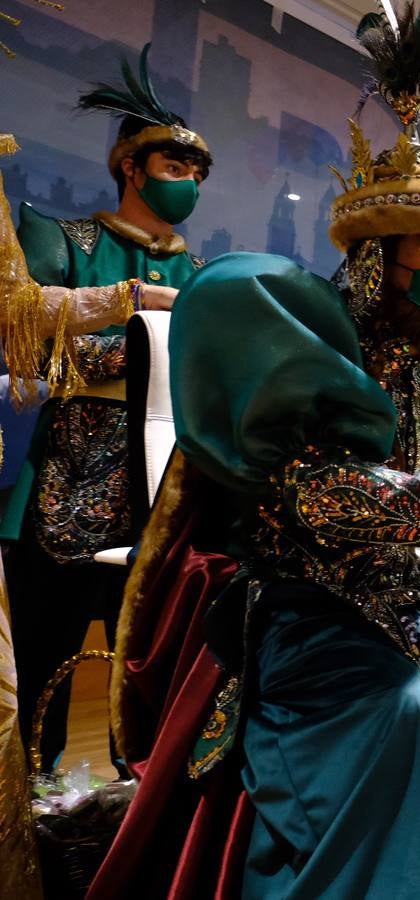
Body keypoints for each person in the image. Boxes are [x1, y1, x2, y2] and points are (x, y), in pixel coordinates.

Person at [91, 7, 420, 898]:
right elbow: (311, 494)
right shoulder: (311, 343)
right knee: (395, 704)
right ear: (380, 261)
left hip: (413, 597)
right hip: (306, 601)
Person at [3, 45, 210, 776]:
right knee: (39, 673)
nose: (188, 184)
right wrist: (152, 334)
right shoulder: (61, 240)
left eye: (194, 173)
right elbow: (26, 351)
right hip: (63, 483)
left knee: (150, 677)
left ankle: (135, 830)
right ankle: (26, 829)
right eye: (174, 167)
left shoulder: (207, 279)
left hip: (164, 495)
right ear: (131, 165)